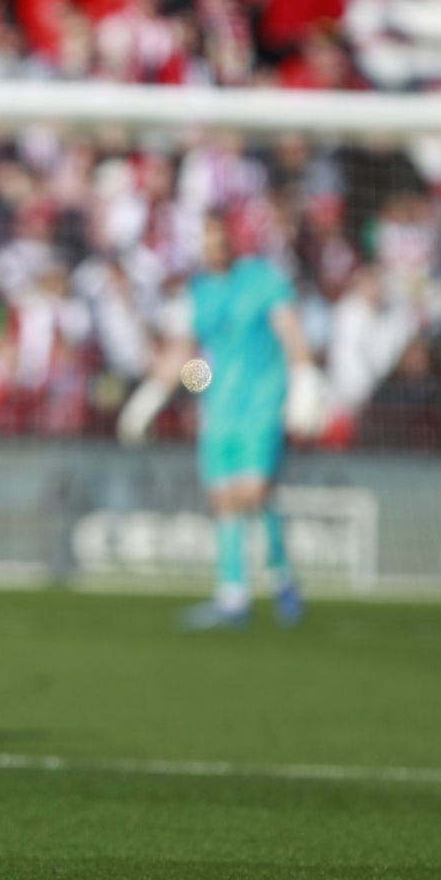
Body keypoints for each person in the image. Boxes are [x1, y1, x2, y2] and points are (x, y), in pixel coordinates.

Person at [117, 212, 326, 629]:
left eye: (220, 239)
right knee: (224, 500)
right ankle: (233, 596)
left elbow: (290, 330)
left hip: (263, 401)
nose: (214, 248)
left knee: (252, 491)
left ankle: (280, 574)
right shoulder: (197, 292)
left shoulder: (262, 278)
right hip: (219, 406)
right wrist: (153, 396)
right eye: (207, 241)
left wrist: (304, 379)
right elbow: (192, 357)